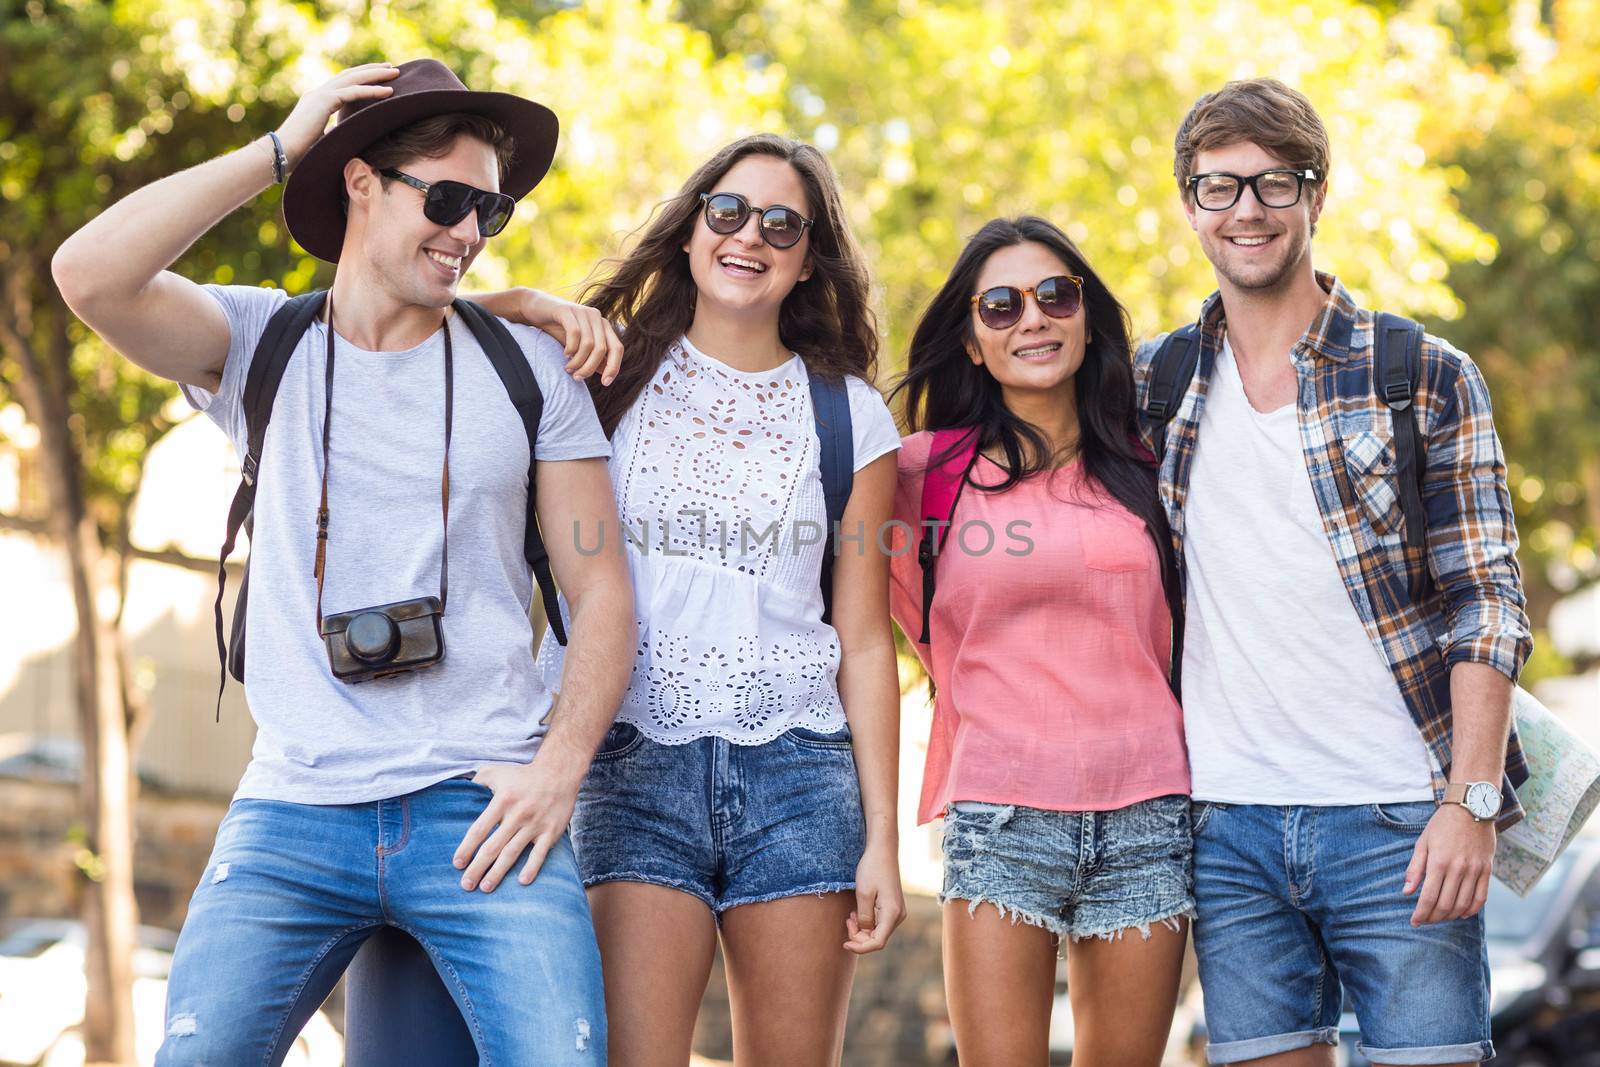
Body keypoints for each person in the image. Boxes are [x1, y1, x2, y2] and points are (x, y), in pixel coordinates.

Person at [51, 59, 635, 1064]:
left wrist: (557, 770)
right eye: (446, 200)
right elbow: (90, 275)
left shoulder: (529, 364)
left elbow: (602, 592)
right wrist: (282, 150)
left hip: (480, 805)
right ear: (360, 180)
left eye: (488, 213)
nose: (467, 232)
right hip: (293, 806)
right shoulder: (258, 342)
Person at [1138, 78, 1532, 1066]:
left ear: (1318, 194)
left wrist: (1469, 799)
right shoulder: (1154, 382)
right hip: (1227, 830)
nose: (1247, 210)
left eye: (1275, 182)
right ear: (1188, 204)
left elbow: (1487, 598)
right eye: (1218, 186)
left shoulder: (1420, 371)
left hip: (1400, 817)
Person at [887, 216, 1191, 1066]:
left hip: (1149, 815)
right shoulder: (918, 472)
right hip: (999, 815)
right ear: (973, 343)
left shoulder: (1155, 463)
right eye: (1001, 305)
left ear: (1086, 316)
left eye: (1056, 295)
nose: (1033, 318)